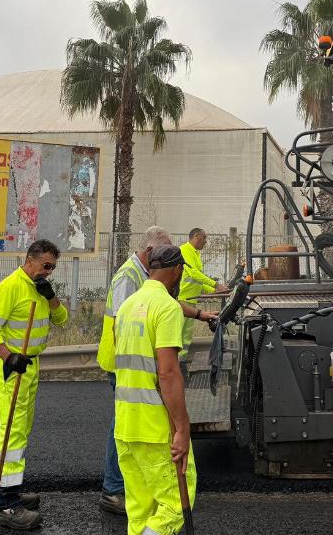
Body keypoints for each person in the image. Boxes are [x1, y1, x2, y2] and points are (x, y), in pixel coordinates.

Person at [97, 227, 216, 515]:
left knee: (128, 424)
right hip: (127, 363)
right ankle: (113, 489)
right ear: (151, 254)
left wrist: (200, 314)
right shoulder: (127, 277)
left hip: (136, 361)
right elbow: (123, 323)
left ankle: (132, 485)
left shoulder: (148, 282)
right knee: (126, 424)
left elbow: (160, 303)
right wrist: (182, 426)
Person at [0, 239, 69, 531]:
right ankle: (6, 503)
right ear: (30, 260)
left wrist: (51, 296)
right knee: (12, 430)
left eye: (53, 268)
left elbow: (62, 319)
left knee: (21, 427)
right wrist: (8, 356)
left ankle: (4, 489)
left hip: (31, 366)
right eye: (46, 266)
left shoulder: (41, 288)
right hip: (12, 368)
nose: (49, 272)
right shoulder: (10, 287)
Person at [114, 244, 196, 535]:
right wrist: (182, 428)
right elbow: (168, 372)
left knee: (139, 510)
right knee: (175, 502)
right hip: (154, 426)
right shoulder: (167, 307)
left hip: (125, 425)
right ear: (177, 271)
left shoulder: (126, 307)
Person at [178, 228, 226, 376]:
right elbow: (193, 274)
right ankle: (177, 366)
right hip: (182, 300)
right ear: (196, 236)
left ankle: (181, 364)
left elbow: (196, 281)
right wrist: (215, 285)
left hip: (190, 301)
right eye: (204, 238)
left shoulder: (195, 253)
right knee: (179, 335)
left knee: (186, 336)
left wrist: (214, 291)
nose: (206, 241)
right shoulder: (185, 250)